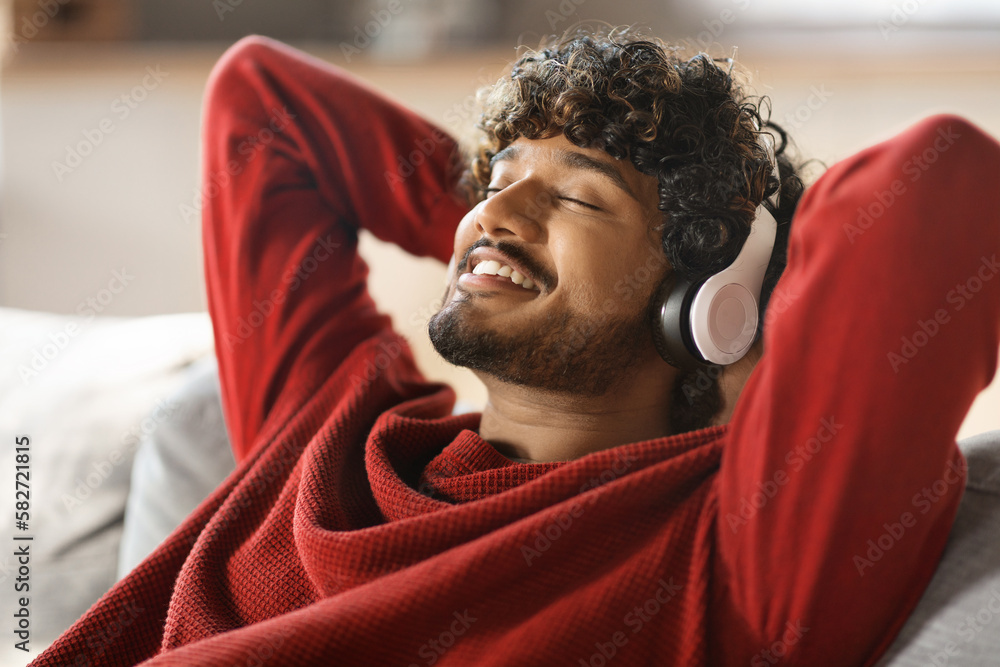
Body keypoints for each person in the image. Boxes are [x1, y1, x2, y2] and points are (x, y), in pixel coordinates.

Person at [31, 26, 1000, 667]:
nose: (496, 210)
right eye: (495, 177)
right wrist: (504, 228)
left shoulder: (733, 554)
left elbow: (942, 184)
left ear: (706, 299)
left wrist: (750, 286)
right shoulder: (332, 425)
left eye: (580, 194)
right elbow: (260, 104)